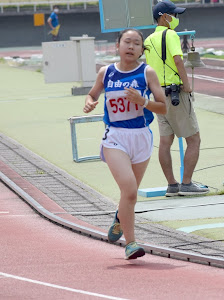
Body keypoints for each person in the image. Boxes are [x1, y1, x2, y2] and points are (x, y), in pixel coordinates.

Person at [83, 29, 167, 260]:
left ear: (142, 49)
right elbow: (91, 95)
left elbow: (163, 107)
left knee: (129, 194)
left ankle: (120, 218)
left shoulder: (147, 72)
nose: (131, 46)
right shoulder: (106, 72)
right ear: (117, 45)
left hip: (141, 138)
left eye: (136, 43)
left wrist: (143, 101)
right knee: (129, 191)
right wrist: (90, 103)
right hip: (116, 138)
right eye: (127, 42)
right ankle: (130, 243)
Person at [144, 0, 209, 197]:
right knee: (194, 139)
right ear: (164, 16)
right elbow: (178, 60)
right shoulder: (170, 34)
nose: (176, 19)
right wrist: (187, 85)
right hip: (176, 93)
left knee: (165, 142)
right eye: (174, 15)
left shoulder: (148, 40)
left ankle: (172, 185)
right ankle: (187, 184)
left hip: (159, 95)